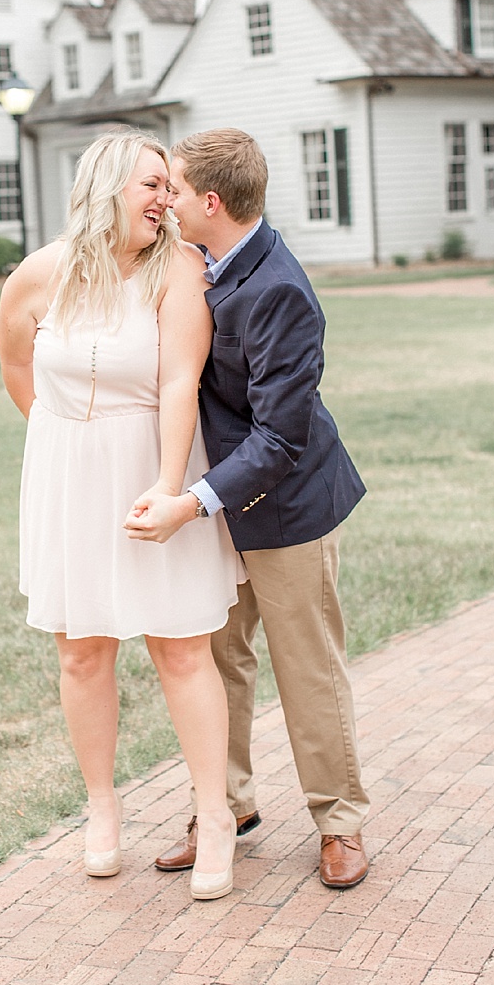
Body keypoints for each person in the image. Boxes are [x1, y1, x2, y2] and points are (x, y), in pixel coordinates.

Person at [0, 129, 244, 902]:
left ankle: (216, 815)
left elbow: (179, 385)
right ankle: (102, 809)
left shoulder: (180, 271)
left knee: (180, 650)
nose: (166, 200)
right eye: (151, 186)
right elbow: (15, 369)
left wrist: (170, 489)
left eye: (168, 189)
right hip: (68, 476)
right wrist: (68, 449)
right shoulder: (38, 275)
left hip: (154, 468)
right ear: (108, 187)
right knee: (82, 653)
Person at [125, 127, 372, 891]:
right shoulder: (193, 262)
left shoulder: (281, 290)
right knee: (214, 662)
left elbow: (280, 439)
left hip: (286, 507)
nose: (162, 200)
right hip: (212, 507)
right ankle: (224, 809)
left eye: (172, 188)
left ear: (210, 201)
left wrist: (191, 504)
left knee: (309, 670)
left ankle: (340, 823)